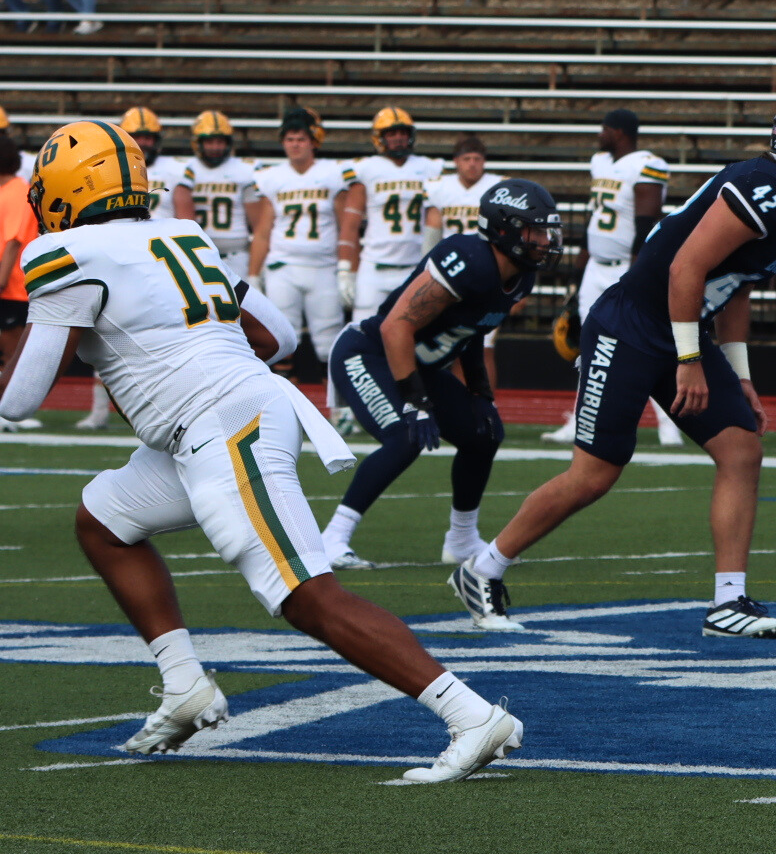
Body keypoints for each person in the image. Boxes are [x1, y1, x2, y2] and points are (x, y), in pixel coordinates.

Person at [0, 119, 521, 781]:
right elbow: (274, 334)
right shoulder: (182, 234)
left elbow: (19, 400)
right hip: (217, 419)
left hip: (221, 425)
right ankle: (185, 684)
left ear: (68, 192)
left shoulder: (65, 253)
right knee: (104, 521)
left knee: (305, 594)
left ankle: (471, 715)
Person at [454, 96, 776, 640]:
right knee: (594, 474)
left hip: (679, 328)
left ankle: (728, 602)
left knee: (742, 448)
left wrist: (740, 375)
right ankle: (482, 568)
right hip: (630, 326)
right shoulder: (764, 187)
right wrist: (691, 360)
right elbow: (686, 267)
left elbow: (736, 289)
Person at [322, 180, 557, 572]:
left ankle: (461, 539)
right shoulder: (468, 259)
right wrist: (415, 402)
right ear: (505, 228)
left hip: (418, 364)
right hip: (369, 353)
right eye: (536, 230)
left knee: (486, 433)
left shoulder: (520, 275)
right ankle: (332, 538)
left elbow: (472, 331)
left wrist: (480, 393)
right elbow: (395, 327)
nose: (546, 240)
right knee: (405, 436)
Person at [545, 110, 679, 447]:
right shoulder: (599, 162)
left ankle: (668, 424)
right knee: (587, 343)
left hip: (626, 267)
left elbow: (647, 223)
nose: (600, 133)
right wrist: (578, 271)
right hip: (596, 267)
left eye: (604, 128)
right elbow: (594, 218)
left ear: (619, 132)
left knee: (639, 342)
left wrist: (638, 273)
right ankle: (579, 418)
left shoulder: (647, 164)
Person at [248, 109, 355, 405]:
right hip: (284, 266)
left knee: (328, 339)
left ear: (313, 142)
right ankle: (284, 405)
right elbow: (263, 231)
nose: (295, 144)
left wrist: (348, 266)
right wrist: (254, 275)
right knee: (283, 337)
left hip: (323, 267)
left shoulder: (333, 174)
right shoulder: (272, 177)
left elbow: (346, 224)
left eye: (301, 139)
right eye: (291, 139)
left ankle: (338, 407)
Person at [339, 106, 440, 330]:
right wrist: (346, 269)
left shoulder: (429, 168)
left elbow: (435, 222)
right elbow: (351, 223)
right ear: (379, 138)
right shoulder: (365, 168)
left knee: (414, 334)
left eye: (403, 133)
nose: (398, 139)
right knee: (362, 332)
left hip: (414, 267)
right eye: (392, 134)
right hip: (373, 267)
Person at [174, 111, 267, 275]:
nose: (215, 147)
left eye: (220, 142)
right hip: (200, 254)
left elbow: (259, 226)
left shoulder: (245, 170)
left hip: (237, 256)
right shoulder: (185, 170)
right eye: (209, 141)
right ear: (198, 143)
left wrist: (254, 273)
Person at [0, 132, 35, 430]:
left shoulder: (17, 191)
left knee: (11, 353)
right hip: (6, 284)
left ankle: (10, 412)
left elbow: (13, 241)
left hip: (12, 286)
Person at [426, 133, 499, 237]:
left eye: (477, 159)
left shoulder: (497, 187)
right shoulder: (440, 186)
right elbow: (433, 232)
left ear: (484, 161)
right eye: (466, 159)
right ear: (456, 161)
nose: (472, 164)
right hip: (450, 250)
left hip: (485, 251)